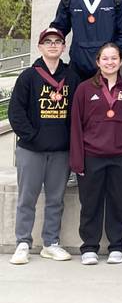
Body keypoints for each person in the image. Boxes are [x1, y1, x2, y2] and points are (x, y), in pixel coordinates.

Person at [8, 28, 80, 265]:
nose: (52, 45)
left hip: (60, 151)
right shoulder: (28, 76)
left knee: (56, 199)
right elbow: (16, 112)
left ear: (64, 47)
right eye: (47, 42)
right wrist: (33, 136)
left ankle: (50, 243)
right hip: (31, 150)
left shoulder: (71, 77)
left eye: (57, 41)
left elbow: (77, 113)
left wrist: (69, 140)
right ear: (39, 47)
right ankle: (22, 243)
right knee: (27, 198)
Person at [70, 43, 122, 266]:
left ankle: (117, 245)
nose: (110, 62)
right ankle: (89, 246)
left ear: (121, 62)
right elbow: (76, 127)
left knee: (119, 202)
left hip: (120, 155)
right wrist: (77, 160)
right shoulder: (84, 89)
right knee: (90, 202)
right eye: (105, 58)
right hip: (92, 155)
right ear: (98, 62)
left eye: (114, 58)